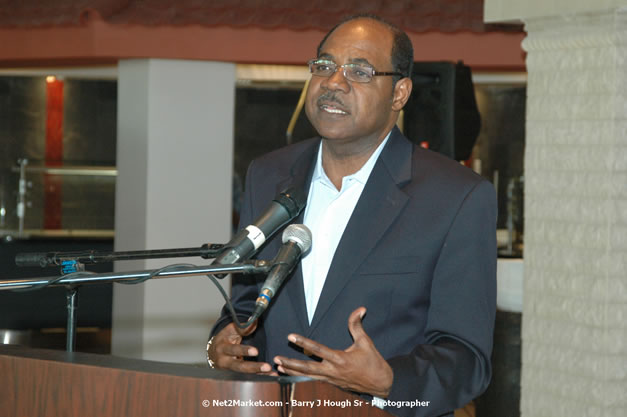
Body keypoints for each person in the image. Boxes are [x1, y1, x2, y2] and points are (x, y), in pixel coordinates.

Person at [207, 14, 497, 417]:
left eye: (359, 71)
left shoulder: (457, 197)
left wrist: (390, 381)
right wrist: (220, 344)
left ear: (400, 94)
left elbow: (467, 360)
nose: (334, 82)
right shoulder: (269, 175)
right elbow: (245, 304)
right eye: (324, 66)